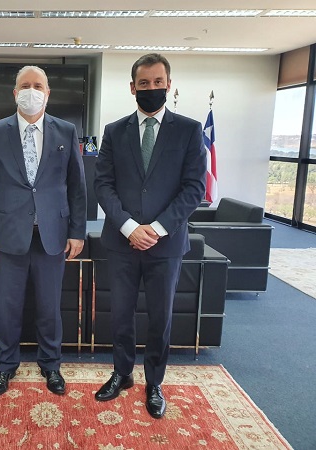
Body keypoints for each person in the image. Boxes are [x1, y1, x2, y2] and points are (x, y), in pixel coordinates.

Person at [93, 53, 206, 418]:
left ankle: (154, 382)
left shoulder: (189, 130)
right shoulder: (114, 131)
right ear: (133, 87)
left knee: (160, 317)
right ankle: (122, 373)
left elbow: (194, 188)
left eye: (158, 82)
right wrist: (129, 227)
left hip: (165, 244)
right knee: (120, 315)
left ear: (168, 85)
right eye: (144, 83)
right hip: (122, 242)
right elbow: (103, 184)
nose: (151, 88)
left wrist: (155, 229)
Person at [0, 65, 87, 397]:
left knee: (50, 307)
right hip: (8, 235)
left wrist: (77, 232)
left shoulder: (66, 131)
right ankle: (5, 366)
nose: (32, 91)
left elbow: (77, 187)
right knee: (8, 307)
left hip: (53, 235)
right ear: (15, 93)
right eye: (25, 85)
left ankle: (50, 365)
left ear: (48, 93)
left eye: (38, 86)